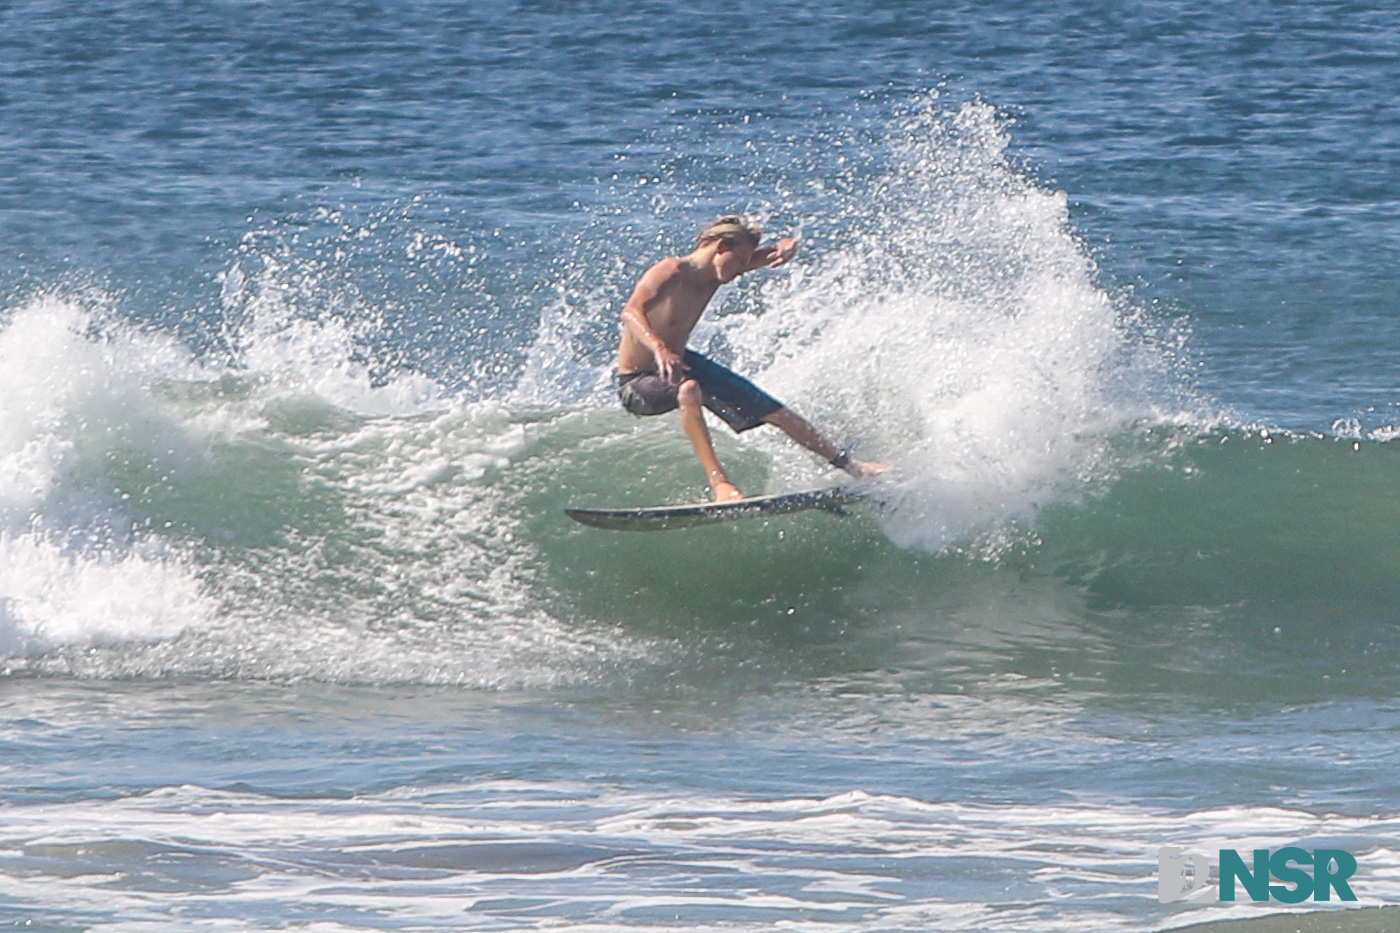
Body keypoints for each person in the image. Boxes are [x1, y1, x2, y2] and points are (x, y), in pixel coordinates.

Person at [614, 215, 886, 502]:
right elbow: (630, 310)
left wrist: (785, 247)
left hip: (681, 363)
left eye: (746, 264)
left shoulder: (716, 274)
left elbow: (768, 255)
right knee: (689, 389)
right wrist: (658, 347)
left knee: (776, 411)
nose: (741, 272)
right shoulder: (672, 271)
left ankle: (852, 467)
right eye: (739, 262)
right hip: (638, 380)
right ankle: (721, 485)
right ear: (720, 247)